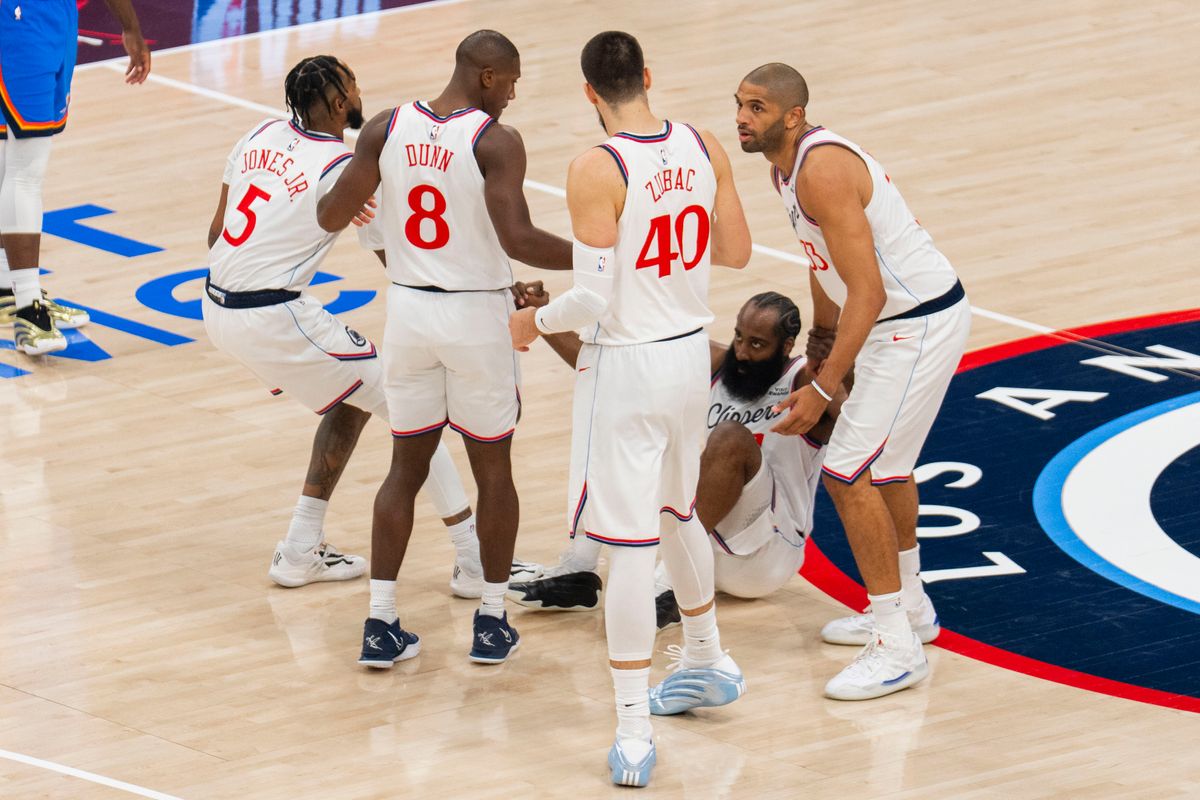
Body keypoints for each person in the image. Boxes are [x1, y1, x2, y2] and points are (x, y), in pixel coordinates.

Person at [509, 31, 752, 788]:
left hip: (630, 364)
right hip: (688, 354)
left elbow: (591, 298)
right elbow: (737, 252)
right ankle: (708, 658)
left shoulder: (595, 165)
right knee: (680, 514)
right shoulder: (704, 143)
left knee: (628, 548)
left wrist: (531, 322)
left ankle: (633, 729)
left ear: (589, 92)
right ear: (648, 75)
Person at [317, 30, 573, 667]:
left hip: (407, 312)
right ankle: (490, 618)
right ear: (488, 76)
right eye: (511, 81)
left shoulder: (384, 126)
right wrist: (600, 256)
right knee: (494, 471)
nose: (512, 95)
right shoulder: (495, 140)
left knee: (406, 467)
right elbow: (518, 238)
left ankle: (380, 624)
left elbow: (329, 215)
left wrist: (357, 199)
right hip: (474, 316)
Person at [203, 55, 486, 599]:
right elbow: (394, 258)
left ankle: (300, 549)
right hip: (271, 314)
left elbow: (216, 234)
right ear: (339, 103)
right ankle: (473, 559)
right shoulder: (346, 167)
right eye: (355, 87)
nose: (360, 94)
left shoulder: (257, 133)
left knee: (352, 396)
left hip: (217, 307)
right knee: (413, 412)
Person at [735, 63, 969, 701]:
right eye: (739, 105)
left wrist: (823, 383)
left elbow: (867, 287)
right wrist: (820, 341)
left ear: (791, 115)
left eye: (756, 108)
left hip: (915, 322)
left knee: (846, 469)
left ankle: (895, 645)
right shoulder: (785, 168)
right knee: (886, 467)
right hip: (898, 320)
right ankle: (912, 611)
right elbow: (824, 262)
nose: (741, 118)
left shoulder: (822, 169)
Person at [510, 293, 844, 623]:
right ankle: (579, 570)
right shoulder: (720, 364)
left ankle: (668, 584)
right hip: (707, 549)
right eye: (739, 337)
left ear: (786, 347)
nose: (741, 352)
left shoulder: (803, 381)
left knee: (730, 437)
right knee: (621, 412)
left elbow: (848, 408)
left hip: (764, 555)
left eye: (757, 345)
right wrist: (544, 321)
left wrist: (833, 363)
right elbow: (610, 372)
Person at [0, 0, 150, 353]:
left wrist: (130, 26)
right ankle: (27, 307)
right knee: (26, 168)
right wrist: (130, 27)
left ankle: (9, 288)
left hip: (57, 15)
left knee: (12, 158)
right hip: (18, 19)